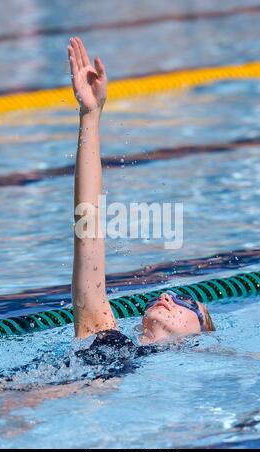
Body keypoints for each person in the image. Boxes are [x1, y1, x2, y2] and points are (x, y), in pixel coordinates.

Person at [67, 37, 215, 350]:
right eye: (170, 295)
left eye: (185, 300)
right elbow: (88, 226)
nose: (165, 297)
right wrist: (90, 116)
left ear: (200, 335)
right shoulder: (105, 334)